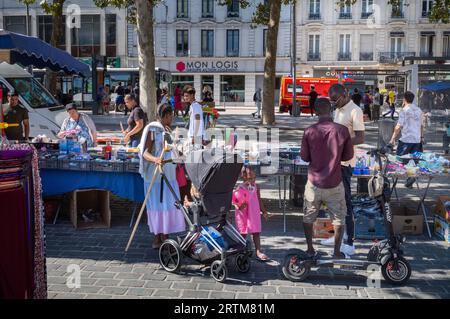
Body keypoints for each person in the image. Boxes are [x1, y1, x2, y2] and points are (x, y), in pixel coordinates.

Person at [300, 98, 354, 259]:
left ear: (315, 112)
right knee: (339, 218)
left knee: (308, 217)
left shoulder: (309, 131)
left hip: (314, 183)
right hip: (334, 182)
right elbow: (348, 156)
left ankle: (310, 249)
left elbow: (305, 157)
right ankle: (337, 252)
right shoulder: (342, 130)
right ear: (331, 110)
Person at [139, 103, 186, 249]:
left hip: (168, 175)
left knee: (167, 205)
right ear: (165, 116)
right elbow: (145, 152)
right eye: (171, 115)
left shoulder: (167, 130)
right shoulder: (153, 129)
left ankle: (165, 236)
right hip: (155, 176)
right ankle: (157, 238)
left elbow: (171, 151)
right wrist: (156, 159)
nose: (172, 118)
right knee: (158, 206)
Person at [328, 84, 365, 256]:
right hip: (334, 161)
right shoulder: (338, 109)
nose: (334, 104)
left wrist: (341, 141)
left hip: (345, 163)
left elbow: (360, 137)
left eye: (336, 100)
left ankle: (349, 241)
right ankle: (337, 236)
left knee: (346, 202)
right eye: (332, 101)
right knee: (333, 201)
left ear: (345, 94)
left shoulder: (355, 110)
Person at [232, 166, 270, 261]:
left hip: (254, 212)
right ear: (243, 177)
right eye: (250, 178)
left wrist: (264, 211)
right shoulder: (240, 188)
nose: (252, 180)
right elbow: (235, 201)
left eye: (254, 178)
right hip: (243, 213)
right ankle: (240, 250)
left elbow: (259, 200)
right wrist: (239, 206)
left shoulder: (256, 186)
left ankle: (258, 251)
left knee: (256, 232)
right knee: (243, 232)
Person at [389, 91, 423, 156]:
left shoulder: (404, 110)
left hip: (406, 140)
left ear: (404, 99)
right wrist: (422, 137)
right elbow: (421, 125)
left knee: (401, 161)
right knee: (414, 162)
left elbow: (398, 126)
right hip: (417, 140)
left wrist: (392, 139)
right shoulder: (419, 110)